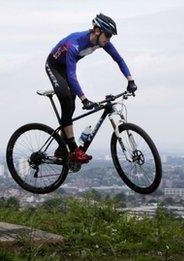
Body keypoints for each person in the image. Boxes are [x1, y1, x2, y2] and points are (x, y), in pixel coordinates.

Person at [45, 13, 138, 163]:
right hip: (55, 67)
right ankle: (74, 150)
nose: (108, 39)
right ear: (96, 30)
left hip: (66, 69)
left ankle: (62, 148)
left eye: (110, 37)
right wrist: (85, 99)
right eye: (107, 35)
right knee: (67, 101)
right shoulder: (74, 44)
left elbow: (118, 59)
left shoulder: (102, 42)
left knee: (70, 108)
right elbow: (71, 75)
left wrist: (130, 80)